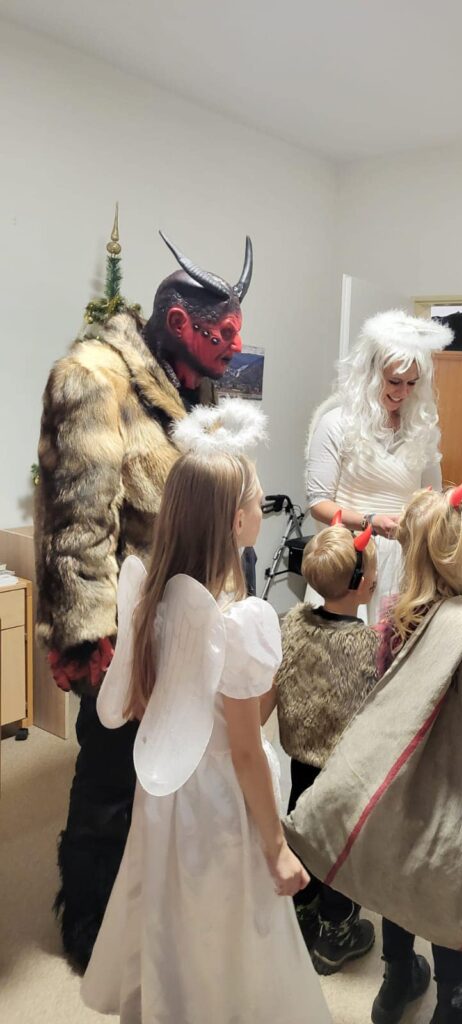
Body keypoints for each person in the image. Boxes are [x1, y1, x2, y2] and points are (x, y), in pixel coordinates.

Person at [35, 226, 255, 971]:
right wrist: (89, 641)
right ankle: (90, 918)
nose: (235, 347)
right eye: (224, 333)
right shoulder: (93, 378)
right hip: (126, 626)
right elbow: (77, 521)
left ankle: (155, 898)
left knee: (169, 766)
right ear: (180, 322)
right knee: (108, 773)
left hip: (185, 617)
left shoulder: (192, 384)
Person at [80, 408, 331, 1024]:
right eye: (255, 500)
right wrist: (276, 846)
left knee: (172, 911)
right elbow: (244, 749)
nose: (261, 508)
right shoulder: (238, 622)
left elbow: (148, 702)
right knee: (224, 924)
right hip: (218, 798)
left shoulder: (154, 594)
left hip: (166, 791)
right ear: (235, 521)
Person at [370, 479, 462, 1024]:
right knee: (445, 880)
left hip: (399, 770)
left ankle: (395, 981)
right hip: (451, 779)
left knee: (399, 874)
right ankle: (455, 995)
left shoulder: (392, 617)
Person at [261, 521, 379, 973]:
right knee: (339, 848)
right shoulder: (369, 644)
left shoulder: (291, 624)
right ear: (360, 584)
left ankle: (302, 909)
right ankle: (337, 933)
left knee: (302, 830)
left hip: (300, 758)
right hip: (343, 771)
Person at [305, 309, 452, 622]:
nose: (403, 392)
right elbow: (319, 503)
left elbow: (432, 495)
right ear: (370, 375)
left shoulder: (420, 428)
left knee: (394, 642)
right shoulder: (336, 424)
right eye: (394, 381)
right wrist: (370, 522)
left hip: (404, 558)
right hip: (351, 557)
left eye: (412, 383)